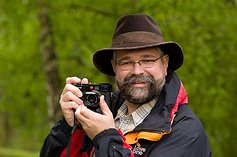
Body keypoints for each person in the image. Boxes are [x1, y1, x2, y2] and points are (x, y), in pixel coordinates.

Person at [40, 13, 212, 157]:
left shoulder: (186, 131)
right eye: (125, 62)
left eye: (147, 60)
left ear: (165, 64)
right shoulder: (99, 114)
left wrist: (105, 137)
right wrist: (68, 126)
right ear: (114, 67)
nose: (137, 71)